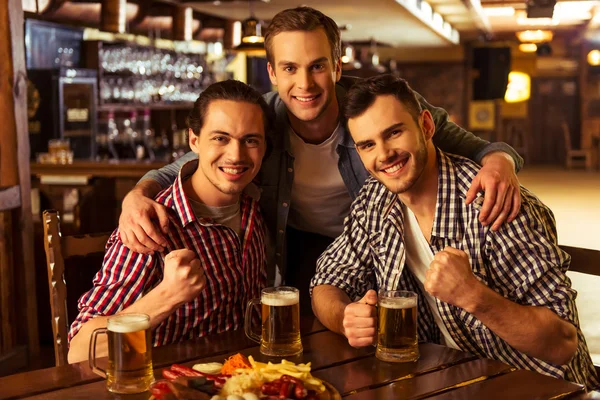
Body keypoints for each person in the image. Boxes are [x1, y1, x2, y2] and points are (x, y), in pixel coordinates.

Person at [117, 7, 523, 311]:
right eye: (290, 68)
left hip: (373, 246)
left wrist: (501, 161)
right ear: (273, 72)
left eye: (317, 67)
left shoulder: (374, 107)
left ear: (337, 66)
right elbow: (193, 161)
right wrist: (139, 192)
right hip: (295, 248)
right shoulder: (262, 119)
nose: (305, 84)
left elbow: (469, 144)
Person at [310, 74, 598, 388]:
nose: (384, 154)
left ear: (426, 126)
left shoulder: (492, 204)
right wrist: (345, 317)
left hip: (538, 387)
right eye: (367, 145)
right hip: (448, 381)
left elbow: (563, 344)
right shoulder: (375, 200)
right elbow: (327, 280)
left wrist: (473, 296)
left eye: (394, 133)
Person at [67, 80, 270, 363]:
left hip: (243, 378)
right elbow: (79, 350)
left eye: (250, 140)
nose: (236, 155)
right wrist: (167, 295)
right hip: (169, 386)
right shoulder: (152, 224)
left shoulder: (253, 208)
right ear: (194, 140)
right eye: (220, 138)